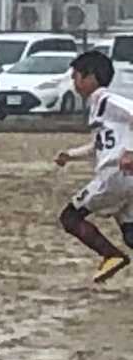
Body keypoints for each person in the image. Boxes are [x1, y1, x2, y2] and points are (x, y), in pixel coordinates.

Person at [55, 50, 133, 283]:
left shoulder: (107, 99)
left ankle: (111, 255)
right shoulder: (97, 105)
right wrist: (71, 155)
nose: (73, 82)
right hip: (124, 178)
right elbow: (99, 145)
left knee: (70, 217)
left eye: (75, 76)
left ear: (91, 77)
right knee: (130, 234)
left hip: (115, 176)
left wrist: (130, 150)